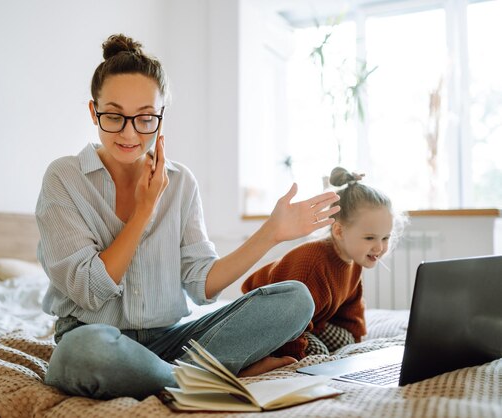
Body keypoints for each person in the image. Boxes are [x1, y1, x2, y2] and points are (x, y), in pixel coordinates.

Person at [35, 33, 340, 400]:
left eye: (145, 118)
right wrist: (145, 209)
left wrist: (271, 233)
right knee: (84, 353)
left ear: (161, 117)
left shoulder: (182, 182)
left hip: (171, 340)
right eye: (114, 116)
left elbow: (202, 284)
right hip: (95, 336)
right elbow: (88, 289)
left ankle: (180, 376)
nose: (130, 132)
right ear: (93, 111)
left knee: (296, 298)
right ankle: (210, 376)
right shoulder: (64, 177)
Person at [242, 167, 403, 359]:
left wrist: (356, 344)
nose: (379, 247)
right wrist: (296, 355)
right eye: (370, 238)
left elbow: (351, 309)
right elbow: (288, 317)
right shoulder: (312, 262)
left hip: (310, 321)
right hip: (267, 321)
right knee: (318, 353)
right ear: (339, 231)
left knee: (346, 341)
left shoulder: (353, 261)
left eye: (385, 238)